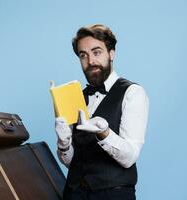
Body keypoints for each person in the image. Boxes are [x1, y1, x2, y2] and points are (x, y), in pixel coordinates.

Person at [55, 24, 149, 200]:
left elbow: (129, 157)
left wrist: (104, 133)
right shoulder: (76, 97)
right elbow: (71, 163)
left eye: (96, 52)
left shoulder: (133, 93)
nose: (90, 61)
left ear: (111, 53)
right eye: (83, 55)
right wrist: (64, 143)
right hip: (74, 194)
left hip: (113, 195)